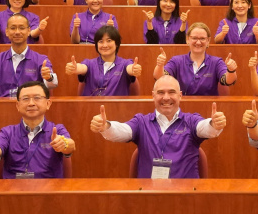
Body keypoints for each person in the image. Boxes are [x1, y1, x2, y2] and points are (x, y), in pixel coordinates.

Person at [90, 75, 226, 178]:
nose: (166, 98)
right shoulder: (141, 122)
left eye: (171, 92)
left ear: (180, 96)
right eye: (161, 93)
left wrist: (214, 124)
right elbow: (123, 131)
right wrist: (106, 126)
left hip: (185, 198)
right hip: (148, 198)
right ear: (153, 96)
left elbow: (205, 128)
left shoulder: (191, 121)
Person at [0, 81, 74, 178]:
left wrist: (64, 144)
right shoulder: (8, 132)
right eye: (25, 99)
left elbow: (71, 145)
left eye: (37, 98)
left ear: (48, 103)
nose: (31, 103)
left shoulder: (57, 130)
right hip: (13, 190)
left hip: (48, 191)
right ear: (17, 105)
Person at [0, 14, 57, 98]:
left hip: (30, 107)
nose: (17, 32)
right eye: (13, 28)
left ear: (29, 31)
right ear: (7, 32)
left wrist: (49, 77)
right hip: (3, 109)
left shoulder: (41, 60)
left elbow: (53, 83)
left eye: (22, 28)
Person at [153, 23, 237, 96]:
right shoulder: (176, 61)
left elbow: (227, 81)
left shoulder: (216, 62)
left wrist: (231, 70)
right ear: (187, 40)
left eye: (202, 39)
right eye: (194, 38)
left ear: (208, 41)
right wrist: (160, 65)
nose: (198, 42)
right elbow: (160, 78)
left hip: (208, 108)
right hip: (182, 109)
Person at [66, 26, 141, 96]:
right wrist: (74, 68)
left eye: (109, 41)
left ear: (117, 43)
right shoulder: (89, 63)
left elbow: (130, 68)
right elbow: (82, 67)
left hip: (117, 108)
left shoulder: (125, 63)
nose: (105, 45)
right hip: (90, 108)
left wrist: (134, 69)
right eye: (101, 41)